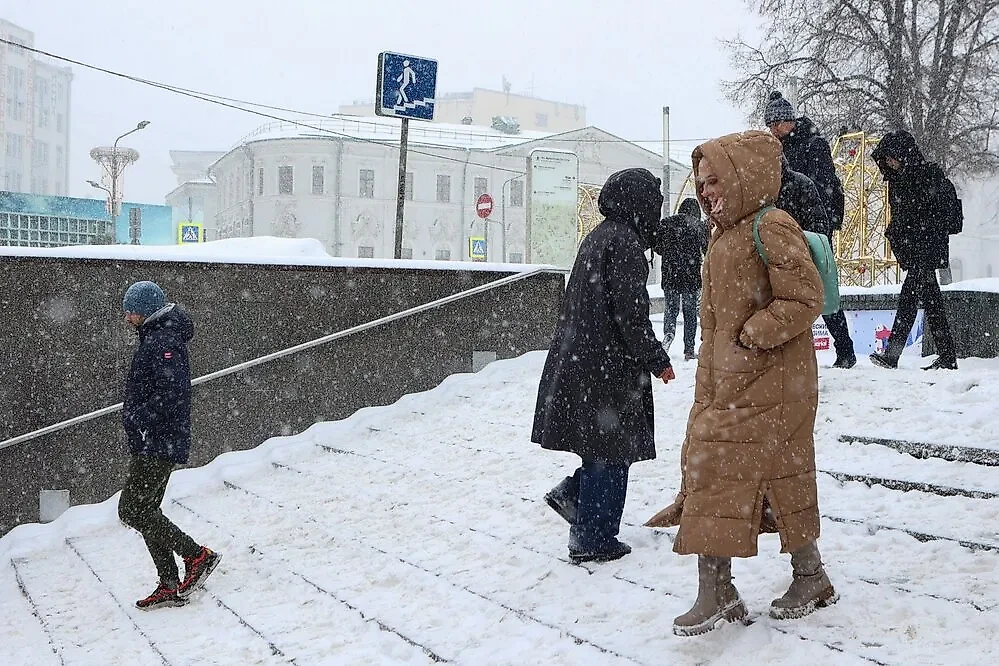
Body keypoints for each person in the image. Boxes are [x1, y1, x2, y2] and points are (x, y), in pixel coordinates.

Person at [645, 131, 838, 636]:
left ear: (742, 176)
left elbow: (805, 298)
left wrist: (756, 332)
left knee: (716, 470)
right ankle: (807, 575)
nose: (707, 192)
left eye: (716, 181)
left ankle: (719, 591)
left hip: (773, 384)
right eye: (702, 184)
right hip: (735, 386)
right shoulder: (723, 234)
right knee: (772, 478)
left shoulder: (770, 225)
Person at [533, 168, 675, 564]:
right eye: (653, 201)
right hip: (609, 366)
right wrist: (657, 359)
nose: (656, 210)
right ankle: (593, 537)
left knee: (599, 448)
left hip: (583, 359)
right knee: (612, 452)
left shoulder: (597, 237)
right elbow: (631, 313)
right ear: (638, 203)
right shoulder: (626, 244)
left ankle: (575, 497)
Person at [118, 280, 221, 610]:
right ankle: (169, 581)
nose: (127, 318)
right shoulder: (157, 336)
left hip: (158, 440)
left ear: (146, 311)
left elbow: (171, 393)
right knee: (146, 510)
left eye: (131, 311)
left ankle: (197, 556)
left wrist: (138, 418)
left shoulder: (163, 341)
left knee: (132, 510)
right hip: (155, 439)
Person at [766, 91, 857, 368]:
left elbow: (824, 187)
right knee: (800, 289)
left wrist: (821, 227)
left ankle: (844, 348)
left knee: (819, 288)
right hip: (792, 226)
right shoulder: (780, 148)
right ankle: (821, 351)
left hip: (812, 226)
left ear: (787, 121)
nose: (771, 130)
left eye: (774, 124)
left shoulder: (812, 146)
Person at [870, 130, 961, 370]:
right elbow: (904, 218)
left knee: (909, 301)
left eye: (892, 157)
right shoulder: (900, 181)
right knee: (932, 303)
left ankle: (892, 354)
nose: (889, 162)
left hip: (926, 250)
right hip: (919, 251)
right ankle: (947, 356)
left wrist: (915, 233)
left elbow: (933, 216)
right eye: (886, 159)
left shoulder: (925, 176)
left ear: (903, 155)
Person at [653, 198, 709, 361]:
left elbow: (657, 247)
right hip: (691, 277)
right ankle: (689, 349)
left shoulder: (666, 224)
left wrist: (671, 253)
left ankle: (668, 334)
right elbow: (706, 249)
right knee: (690, 312)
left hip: (670, 274)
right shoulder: (698, 226)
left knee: (671, 308)